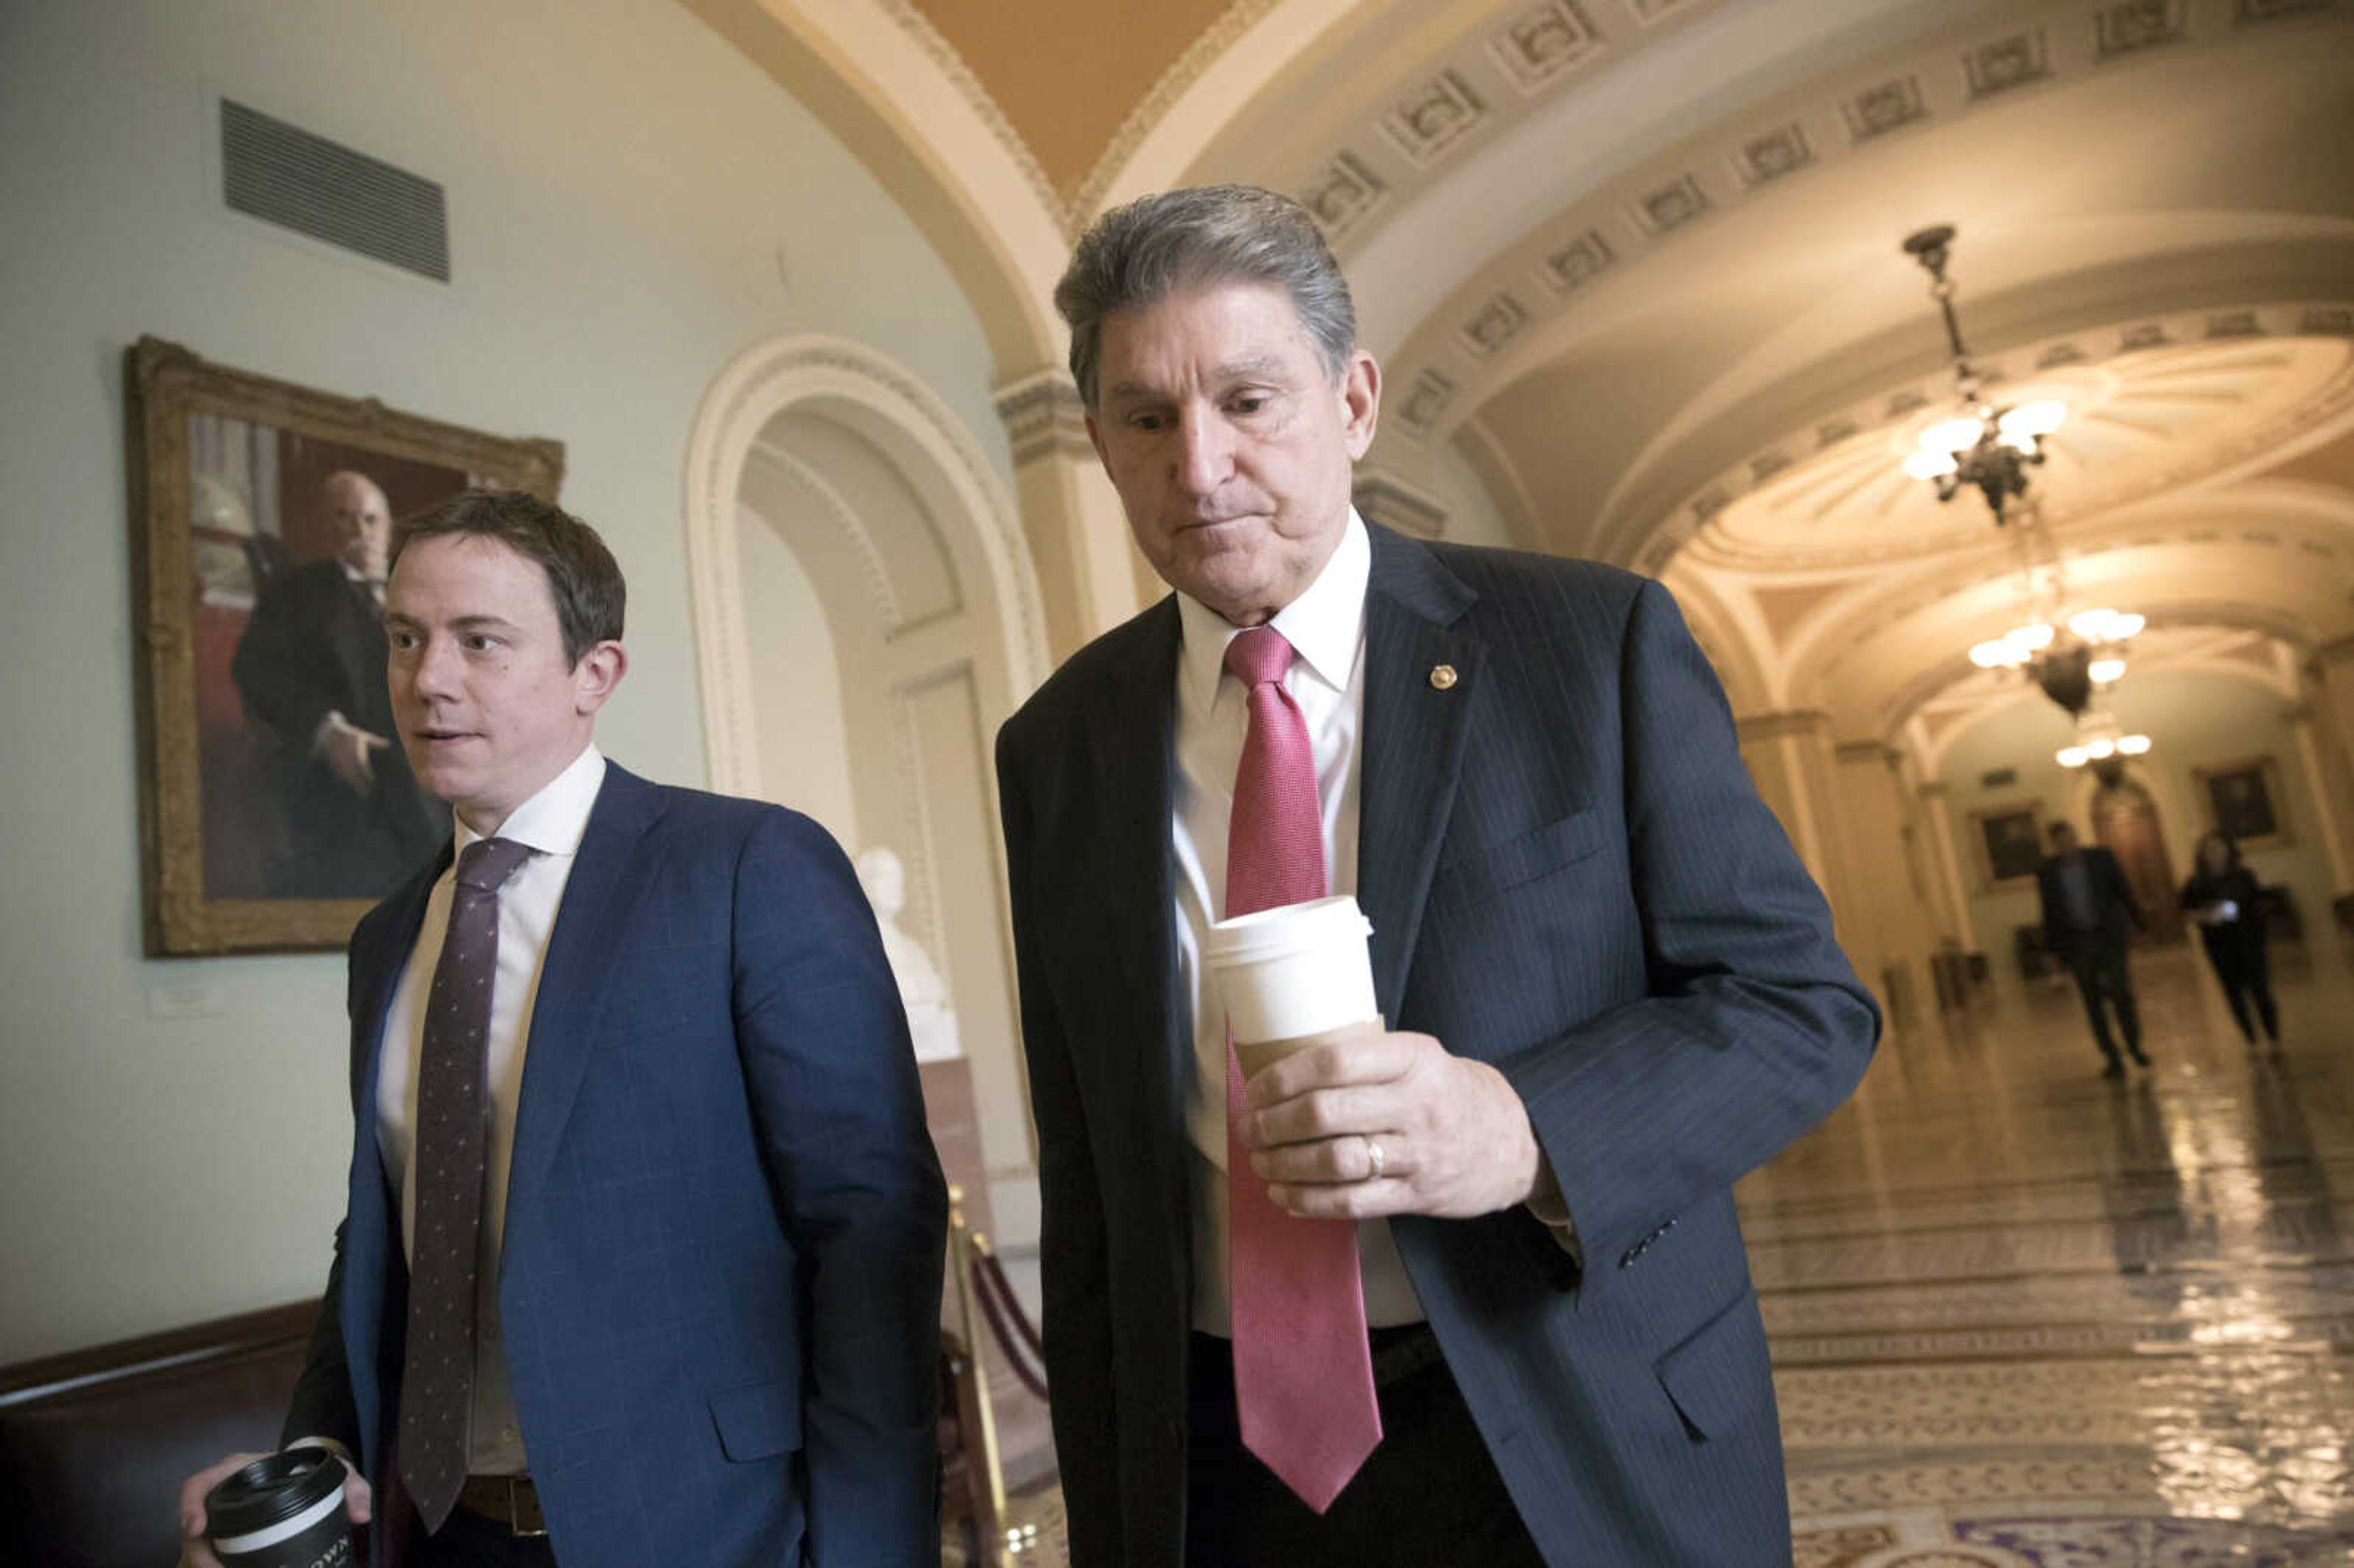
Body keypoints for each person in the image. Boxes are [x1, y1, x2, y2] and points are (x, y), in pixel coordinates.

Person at [993, 185, 1880, 1568]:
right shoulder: (1058, 745)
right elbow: (1095, 1166)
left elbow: (1797, 1004)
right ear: (1101, 443)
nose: (1203, 465)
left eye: (1248, 400)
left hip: (1567, 1418)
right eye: (1148, 419)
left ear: (1352, 401)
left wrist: (1524, 1126)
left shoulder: (1585, 643)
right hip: (1224, 1471)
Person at [180, 490, 947, 1567]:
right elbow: (393, 1229)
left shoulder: (746, 869)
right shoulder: (388, 937)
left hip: (715, 1531)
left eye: (480, 641)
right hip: (443, 1533)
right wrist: (317, 1452)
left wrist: (868, 1551)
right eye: (405, 637)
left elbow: (869, 1231)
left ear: (597, 675)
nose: (426, 678)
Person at [231, 470, 448, 898]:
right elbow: (257, 670)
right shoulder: (296, 593)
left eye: (371, 520)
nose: (360, 532)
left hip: (423, 751)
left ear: (387, 529)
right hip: (337, 762)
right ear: (323, 528)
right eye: (344, 519)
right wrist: (327, 731)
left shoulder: (422, 600)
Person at [2036, 820, 2149, 1078]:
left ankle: (2134, 1046)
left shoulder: (2101, 858)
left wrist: (2140, 925)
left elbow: (2124, 891)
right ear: (2055, 846)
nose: (2068, 845)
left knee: (2121, 992)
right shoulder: (2048, 872)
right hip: (2078, 943)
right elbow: (2049, 913)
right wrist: (2050, 952)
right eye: (2062, 842)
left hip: (2108, 937)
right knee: (2092, 1001)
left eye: (2071, 839)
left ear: (2076, 838)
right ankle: (2111, 1056)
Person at [2180, 829, 2280, 1049]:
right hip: (2220, 946)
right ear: (2203, 855)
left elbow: (2254, 904)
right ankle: (2251, 1040)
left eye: (2219, 848)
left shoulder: (2244, 876)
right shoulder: (2195, 883)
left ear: (2228, 850)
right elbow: (2186, 911)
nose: (2215, 854)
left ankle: (2273, 1038)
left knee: (2261, 991)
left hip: (2250, 942)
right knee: (2234, 995)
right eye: (2210, 850)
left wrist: (2223, 913)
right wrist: (2210, 915)